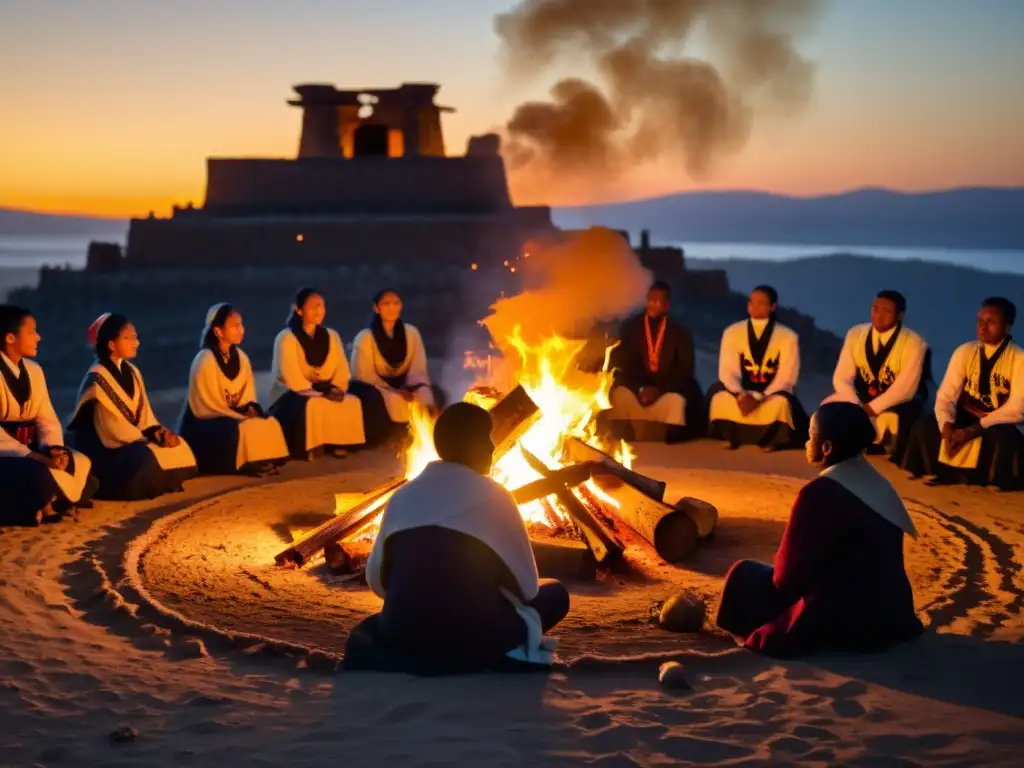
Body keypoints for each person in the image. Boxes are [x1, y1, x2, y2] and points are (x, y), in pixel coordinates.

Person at [344, 402, 570, 675]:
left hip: (403, 635)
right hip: (471, 639)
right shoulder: (496, 496)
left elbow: (377, 584)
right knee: (555, 594)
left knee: (372, 628)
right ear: (471, 445)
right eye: (485, 438)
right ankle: (490, 653)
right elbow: (528, 590)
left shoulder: (401, 496)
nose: (492, 447)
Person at [716, 402, 924, 658]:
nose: (806, 442)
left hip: (843, 616)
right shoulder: (879, 484)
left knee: (743, 574)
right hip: (891, 613)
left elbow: (785, 579)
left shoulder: (819, 494)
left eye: (811, 435)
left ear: (826, 447)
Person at [67, 313, 197, 501]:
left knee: (180, 447)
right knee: (144, 457)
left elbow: (145, 416)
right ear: (111, 345)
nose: (136, 342)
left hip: (135, 439)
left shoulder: (133, 372)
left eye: (136, 337)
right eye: (129, 338)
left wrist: (159, 433)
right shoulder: (96, 378)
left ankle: (157, 480)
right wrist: (148, 439)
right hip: (107, 449)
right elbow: (111, 428)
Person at [899, 297, 1023, 491]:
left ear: (1007, 327)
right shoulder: (965, 351)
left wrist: (975, 429)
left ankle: (990, 480)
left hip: (996, 422)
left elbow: (1017, 408)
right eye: (980, 321)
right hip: (966, 414)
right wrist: (946, 424)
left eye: (992, 322)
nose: (983, 327)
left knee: (1003, 438)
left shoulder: (1019, 358)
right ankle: (936, 470)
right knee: (926, 425)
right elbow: (946, 396)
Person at [0, 305, 97, 525]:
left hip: (34, 450)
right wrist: (35, 457)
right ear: (10, 338)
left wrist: (53, 450)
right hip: (7, 455)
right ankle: (40, 502)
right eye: (32, 331)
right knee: (36, 475)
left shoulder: (34, 371)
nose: (38, 337)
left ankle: (43, 500)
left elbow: (47, 420)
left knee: (79, 462)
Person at [178, 303, 290, 476]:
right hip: (206, 423)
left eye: (241, 324)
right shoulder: (205, 360)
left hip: (232, 414)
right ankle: (248, 464)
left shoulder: (242, 358)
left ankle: (266, 460)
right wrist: (239, 416)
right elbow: (207, 407)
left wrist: (250, 409)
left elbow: (247, 396)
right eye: (234, 326)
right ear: (218, 332)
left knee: (269, 423)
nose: (241, 330)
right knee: (243, 428)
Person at [823, 290, 930, 464]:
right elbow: (842, 377)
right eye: (875, 309)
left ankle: (876, 445)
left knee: (893, 420)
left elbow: (905, 390)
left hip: (897, 404)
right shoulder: (855, 334)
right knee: (828, 407)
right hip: (860, 398)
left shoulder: (915, 343)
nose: (879, 316)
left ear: (900, 315)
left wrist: (871, 409)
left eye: (886, 311)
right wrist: (856, 405)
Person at [269, 288, 367, 459]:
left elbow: (341, 369)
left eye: (321, 306)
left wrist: (337, 388)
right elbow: (290, 376)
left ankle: (338, 443)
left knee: (351, 402)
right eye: (313, 306)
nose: (319, 310)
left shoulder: (332, 335)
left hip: (324, 389)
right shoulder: (286, 338)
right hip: (292, 394)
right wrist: (319, 393)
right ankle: (310, 446)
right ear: (299, 310)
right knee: (314, 404)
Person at [707, 285, 808, 450]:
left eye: (761, 302)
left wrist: (760, 397)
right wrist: (741, 395)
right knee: (719, 398)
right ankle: (733, 436)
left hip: (771, 394)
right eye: (751, 301)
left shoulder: (788, 337)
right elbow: (727, 370)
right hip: (742, 394)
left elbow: (787, 377)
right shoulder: (732, 332)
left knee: (781, 404)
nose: (754, 306)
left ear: (773, 307)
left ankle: (772, 440)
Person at [606, 280, 705, 442]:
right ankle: (622, 430)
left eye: (658, 301)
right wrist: (641, 387)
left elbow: (685, 368)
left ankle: (675, 431)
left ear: (666, 305)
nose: (653, 304)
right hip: (638, 382)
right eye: (650, 299)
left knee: (689, 389)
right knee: (616, 383)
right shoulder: (631, 327)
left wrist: (658, 389)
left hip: (668, 383)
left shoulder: (680, 332)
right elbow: (625, 362)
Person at [349, 289, 446, 440]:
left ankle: (424, 435)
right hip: (376, 386)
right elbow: (363, 374)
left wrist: (414, 388)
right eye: (386, 304)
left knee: (432, 394)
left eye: (396, 303)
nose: (392, 308)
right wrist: (394, 391)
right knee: (381, 399)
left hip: (405, 385)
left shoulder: (411, 333)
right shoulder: (365, 337)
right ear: (376, 308)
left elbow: (417, 368)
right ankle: (389, 436)